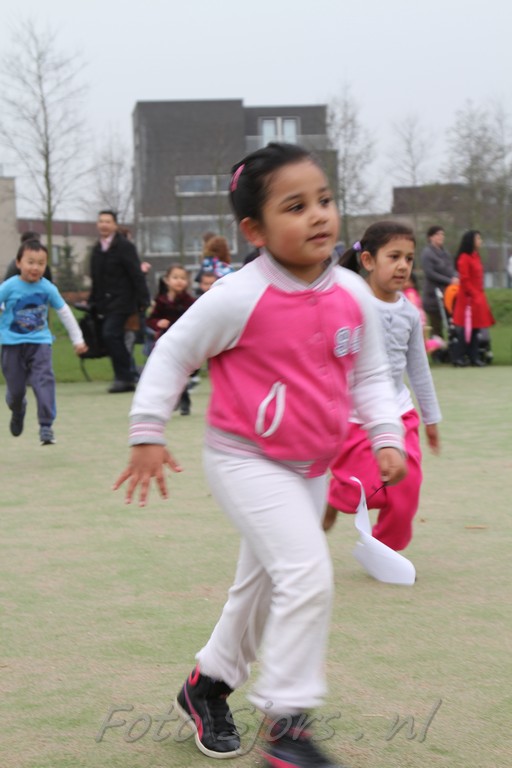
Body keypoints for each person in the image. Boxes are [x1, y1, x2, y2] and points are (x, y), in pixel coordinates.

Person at [114, 143, 407, 768]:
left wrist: (387, 434)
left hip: (310, 467)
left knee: (266, 583)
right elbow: (173, 354)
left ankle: (208, 684)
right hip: (244, 459)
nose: (318, 215)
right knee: (306, 574)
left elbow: (371, 375)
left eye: (323, 200)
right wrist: (147, 431)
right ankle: (287, 728)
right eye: (295, 207)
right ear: (255, 230)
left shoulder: (352, 293)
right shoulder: (237, 296)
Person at [323, 222, 441, 552]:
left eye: (409, 258)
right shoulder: (347, 304)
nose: (403, 266)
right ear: (369, 261)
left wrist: (431, 418)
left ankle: (385, 549)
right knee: (362, 489)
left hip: (400, 413)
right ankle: (334, 497)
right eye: (394, 257)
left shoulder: (410, 314)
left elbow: (419, 369)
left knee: (407, 485)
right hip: (354, 417)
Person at [0, 240, 87, 445]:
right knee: (16, 391)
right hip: (12, 345)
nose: (35, 268)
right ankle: (17, 408)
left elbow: (64, 312)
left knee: (44, 380)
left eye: (41, 263)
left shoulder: (48, 288)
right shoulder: (9, 286)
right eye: (30, 262)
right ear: (19, 263)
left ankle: (46, 426)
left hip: (40, 343)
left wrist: (78, 339)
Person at [88, 210, 150, 393]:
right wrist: (93, 301)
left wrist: (143, 299)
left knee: (110, 334)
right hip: (105, 303)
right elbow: (96, 278)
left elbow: (136, 273)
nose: (104, 225)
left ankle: (125, 377)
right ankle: (125, 375)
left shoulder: (124, 246)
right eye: (101, 221)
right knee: (111, 338)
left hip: (123, 301)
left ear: (115, 225)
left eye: (108, 221)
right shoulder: (97, 249)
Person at [146, 264, 195, 415]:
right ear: (167, 280)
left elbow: (196, 319)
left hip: (183, 342)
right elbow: (151, 319)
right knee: (166, 373)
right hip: (165, 342)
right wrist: (158, 323)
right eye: (175, 277)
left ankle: (184, 400)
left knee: (180, 372)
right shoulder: (161, 301)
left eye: (183, 278)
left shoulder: (189, 301)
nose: (179, 281)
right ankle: (172, 399)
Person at [452, 230, 495, 367]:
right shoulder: (464, 258)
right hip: (468, 299)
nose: (480, 241)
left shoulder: (475, 256)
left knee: (476, 329)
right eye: (478, 238)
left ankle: (473, 356)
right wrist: (473, 294)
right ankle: (458, 356)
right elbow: (464, 279)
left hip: (477, 296)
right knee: (467, 328)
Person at [420, 226, 458, 340]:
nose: (441, 237)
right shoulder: (427, 253)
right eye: (437, 234)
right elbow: (430, 273)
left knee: (452, 324)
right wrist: (449, 281)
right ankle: (437, 348)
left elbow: (451, 269)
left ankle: (452, 345)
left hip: (448, 295)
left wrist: (456, 277)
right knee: (436, 327)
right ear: (430, 237)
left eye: (442, 234)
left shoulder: (445, 252)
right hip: (434, 296)